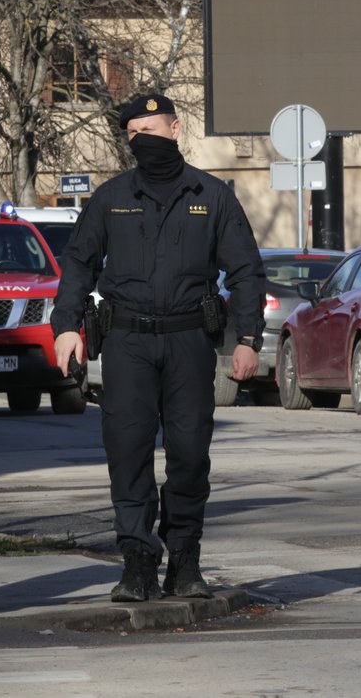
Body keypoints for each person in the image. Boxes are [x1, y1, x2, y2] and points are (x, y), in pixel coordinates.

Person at [51, 92, 266, 602]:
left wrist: (250, 338)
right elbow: (78, 263)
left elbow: (245, 271)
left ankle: (185, 561)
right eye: (134, 135)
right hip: (126, 343)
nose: (144, 141)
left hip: (190, 342)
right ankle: (137, 562)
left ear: (176, 128)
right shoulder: (111, 197)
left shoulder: (212, 195)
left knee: (190, 456)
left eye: (152, 129)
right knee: (128, 455)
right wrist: (66, 326)